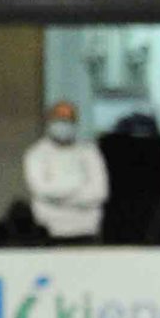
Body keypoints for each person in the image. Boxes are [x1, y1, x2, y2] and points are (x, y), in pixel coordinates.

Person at [23, 100, 108, 245]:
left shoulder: (89, 152)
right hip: (49, 233)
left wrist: (57, 196)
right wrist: (79, 183)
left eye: (68, 119)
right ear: (49, 121)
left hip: (87, 232)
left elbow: (99, 192)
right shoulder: (36, 154)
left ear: (75, 122)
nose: (63, 124)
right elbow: (42, 190)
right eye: (59, 119)